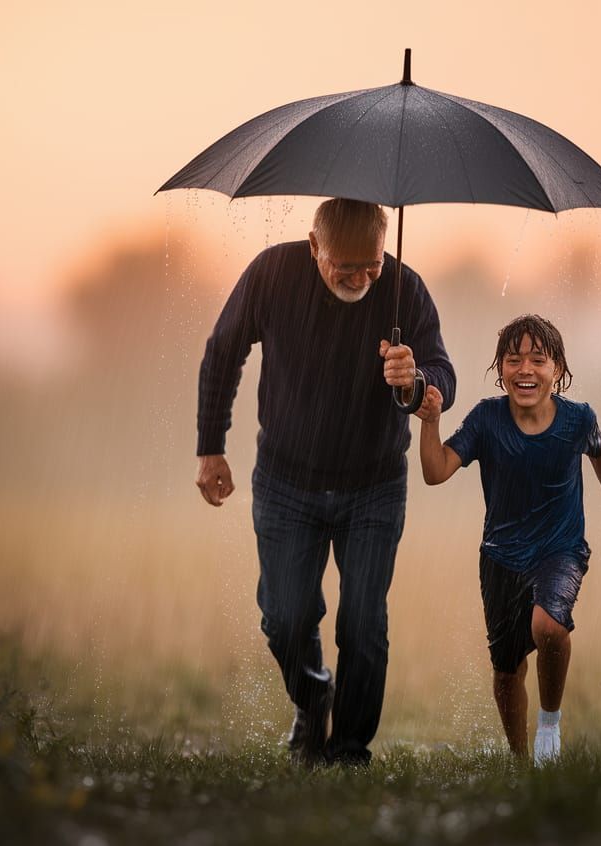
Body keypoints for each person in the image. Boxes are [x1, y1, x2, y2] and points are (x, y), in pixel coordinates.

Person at [195, 198, 456, 766]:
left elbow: (444, 375)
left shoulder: (404, 289)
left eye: (373, 265)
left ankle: (348, 751)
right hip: (287, 480)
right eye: (346, 266)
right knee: (285, 616)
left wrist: (413, 382)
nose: (362, 278)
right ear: (315, 246)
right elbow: (222, 352)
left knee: (363, 622)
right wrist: (210, 447)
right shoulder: (272, 274)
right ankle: (314, 698)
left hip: (374, 485)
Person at [415, 313, 601, 766]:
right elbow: (435, 472)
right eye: (513, 360)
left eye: (538, 359)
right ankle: (521, 765)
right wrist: (431, 421)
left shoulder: (578, 420)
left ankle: (550, 728)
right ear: (500, 371)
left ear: (557, 368)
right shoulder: (485, 419)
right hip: (500, 558)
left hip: (561, 550)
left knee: (549, 626)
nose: (525, 370)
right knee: (506, 671)